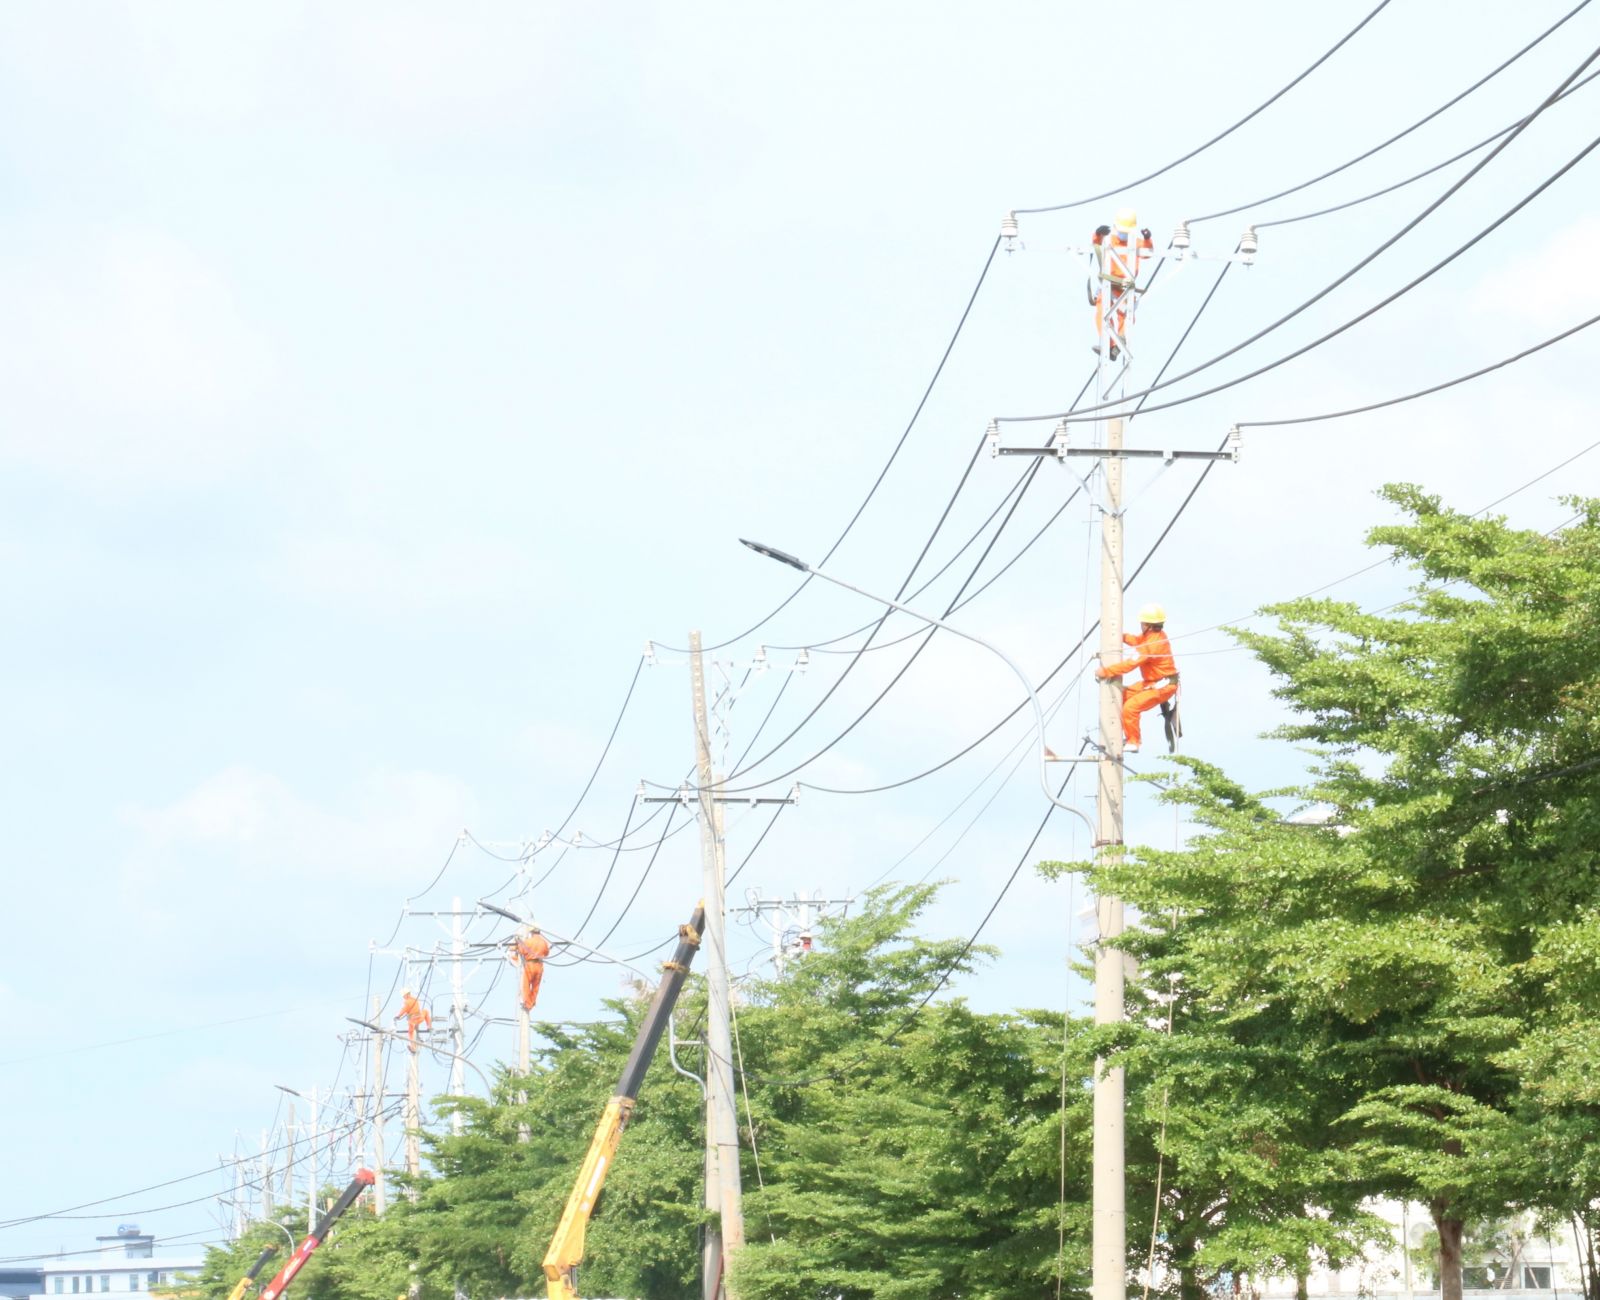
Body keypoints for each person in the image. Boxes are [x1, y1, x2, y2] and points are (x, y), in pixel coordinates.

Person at [1094, 602, 1179, 754]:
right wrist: (1119, 636)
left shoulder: (1154, 644)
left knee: (1131, 708)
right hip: (1153, 683)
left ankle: (1134, 741)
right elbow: (1137, 641)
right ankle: (1126, 736)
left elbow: (1130, 664)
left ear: (1147, 624)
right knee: (1122, 697)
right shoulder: (1153, 636)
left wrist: (1106, 671)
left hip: (1163, 685)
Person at [1089, 209, 1154, 359]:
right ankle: (1109, 344)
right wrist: (1098, 234)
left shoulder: (1135, 243)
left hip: (1125, 286)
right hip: (1109, 283)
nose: (1123, 234)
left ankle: (1120, 341)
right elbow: (1096, 244)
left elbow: (1147, 252)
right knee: (1102, 312)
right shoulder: (1108, 240)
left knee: (1126, 313)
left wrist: (1147, 239)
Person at [510, 926, 552, 1012]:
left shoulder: (528, 942)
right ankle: (531, 1003)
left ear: (531, 932)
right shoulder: (544, 943)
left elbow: (522, 951)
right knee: (536, 987)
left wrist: (518, 943)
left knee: (526, 985)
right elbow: (547, 953)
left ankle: (527, 1004)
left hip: (530, 965)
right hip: (539, 966)